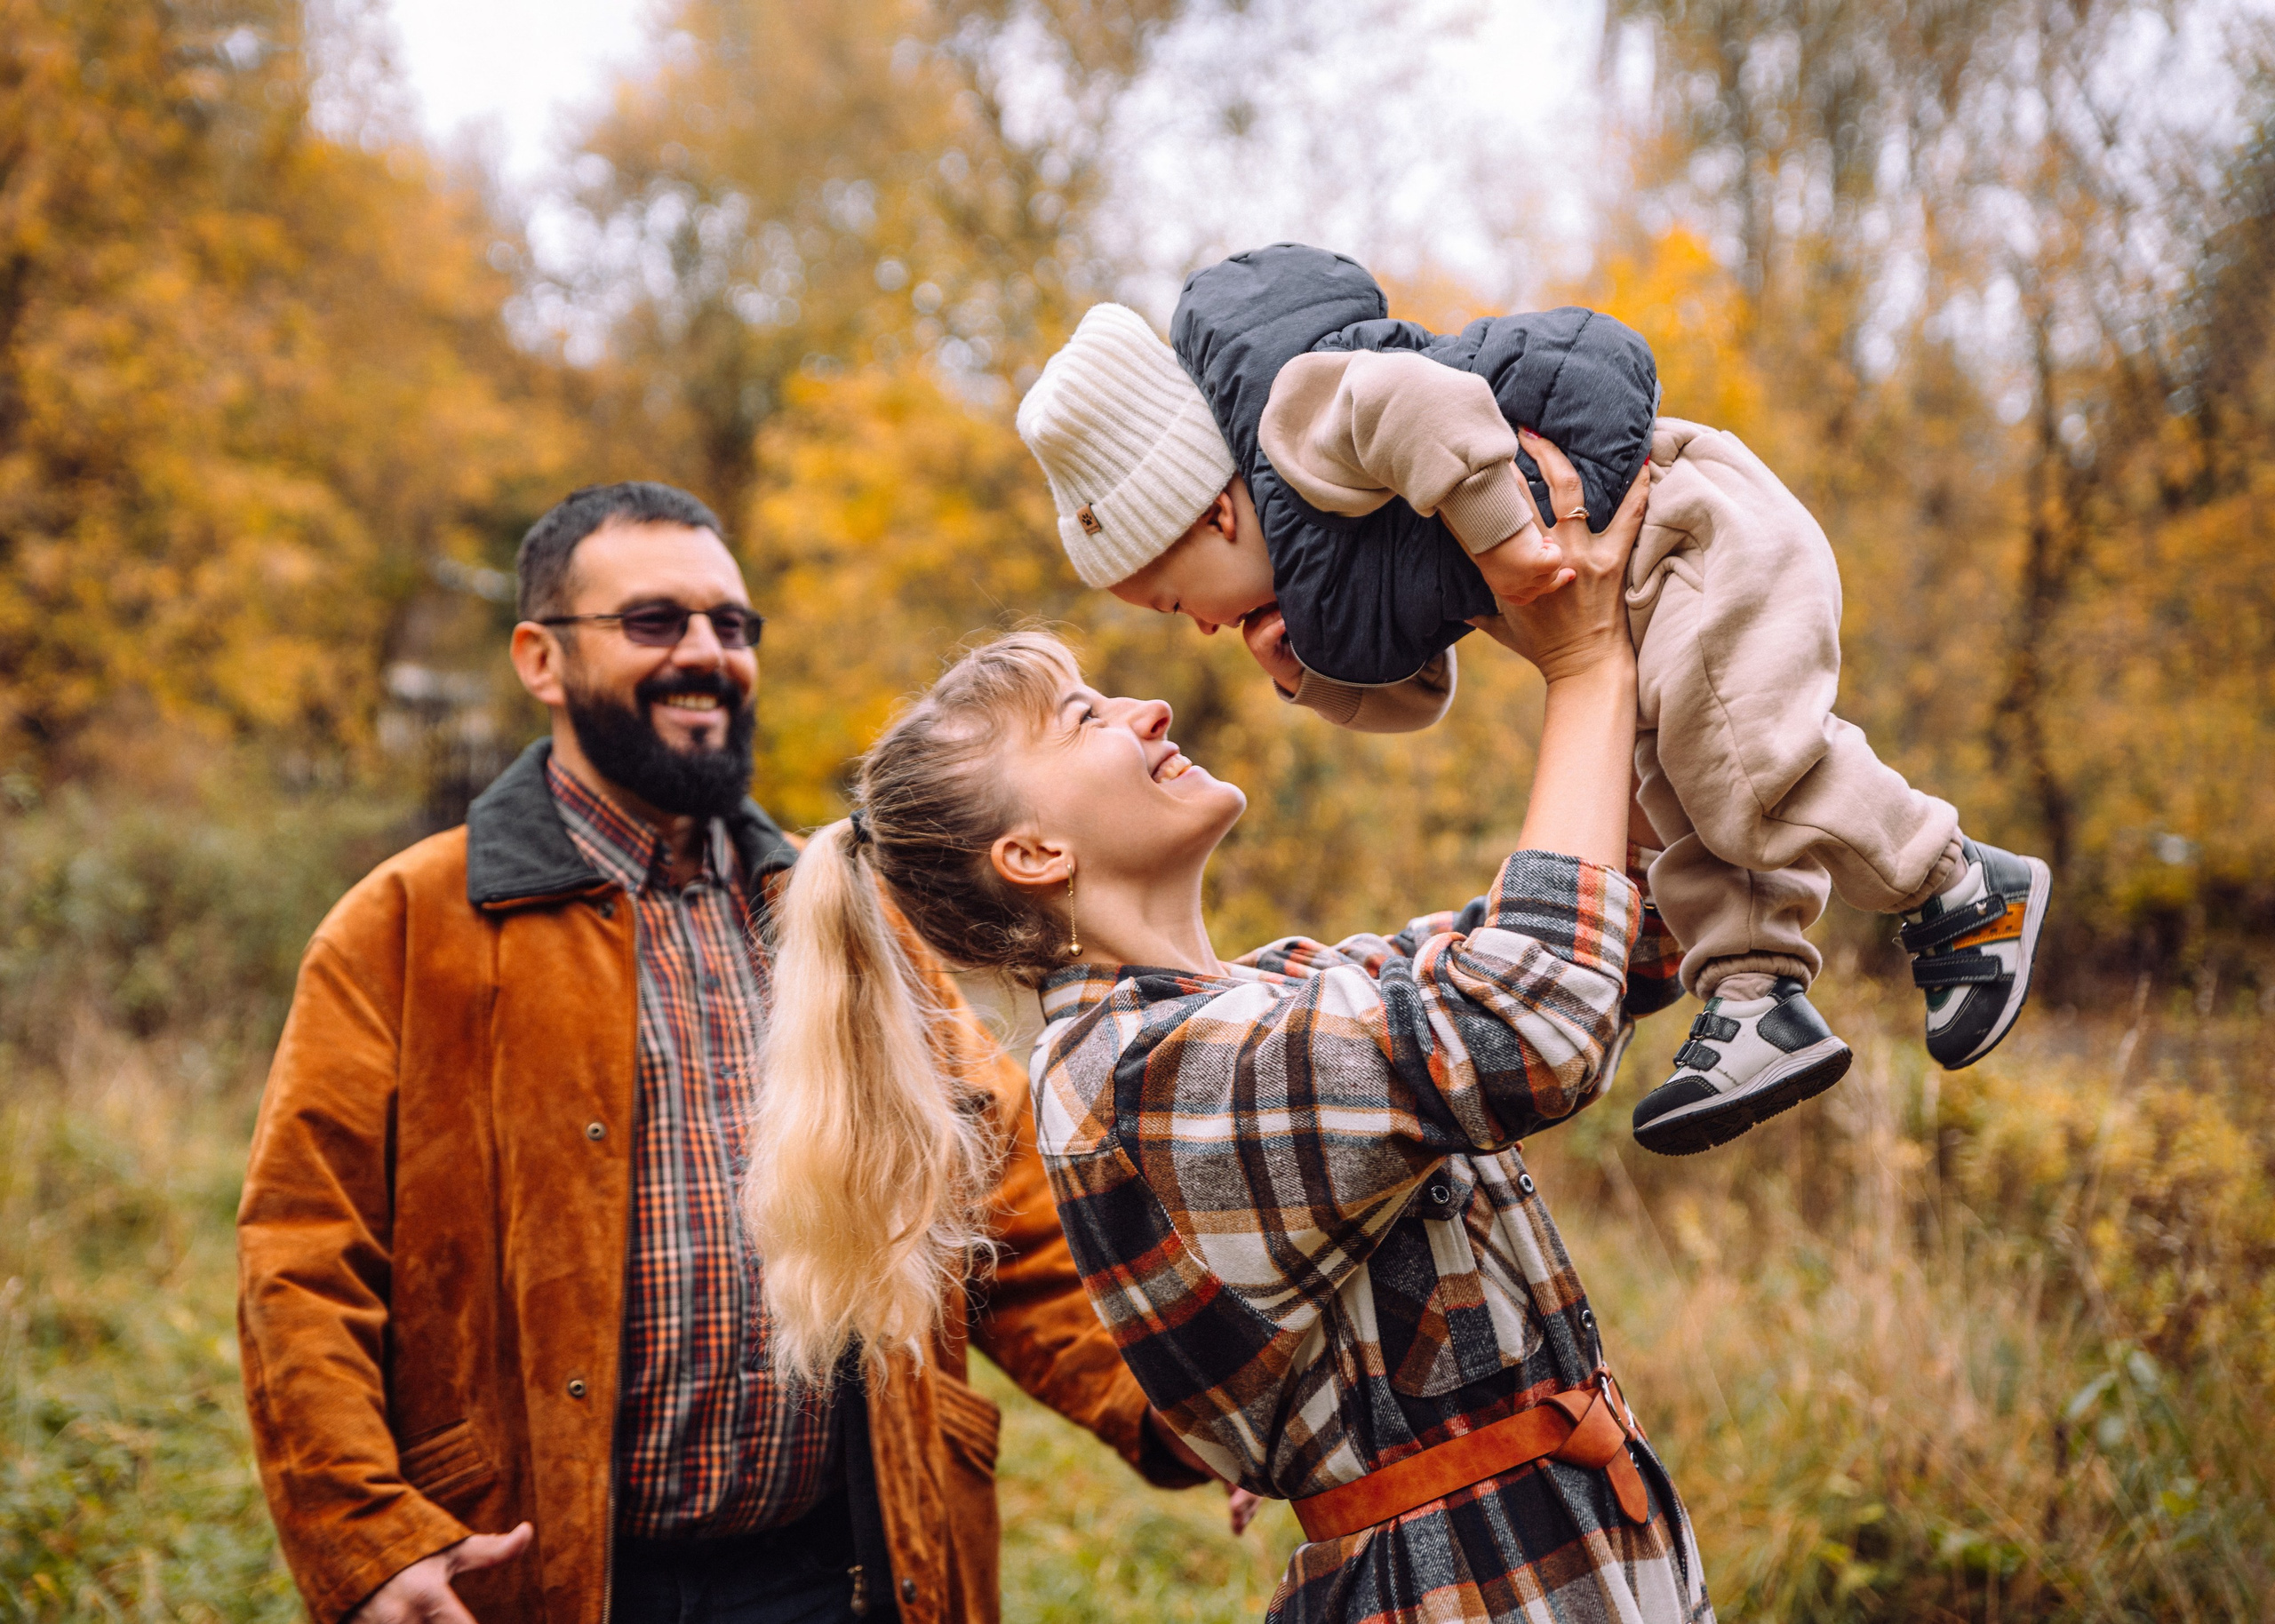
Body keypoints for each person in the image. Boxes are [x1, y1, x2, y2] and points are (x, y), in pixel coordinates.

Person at [748, 439, 1713, 1622]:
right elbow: (1528, 1020)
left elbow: (1632, 932)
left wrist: (1491, 601)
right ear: (1035, 853)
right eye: (1086, 716)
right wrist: (1582, 668)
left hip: (1575, 1560)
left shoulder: (1278, 989)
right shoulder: (1138, 1078)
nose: (1150, 706)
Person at [235, 482, 1206, 1624]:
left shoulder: (840, 909)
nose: (705, 652)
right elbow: (304, 1252)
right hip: (545, 1575)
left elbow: (1000, 1210)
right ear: (541, 658)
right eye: (654, 621)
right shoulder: (406, 926)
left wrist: (1197, 1403)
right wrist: (362, 1536)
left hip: (842, 1567)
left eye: (731, 624)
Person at [1012, 243, 2053, 1158]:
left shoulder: (1301, 423)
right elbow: (1422, 692)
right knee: (1680, 800)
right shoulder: (1317, 569)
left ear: (1208, 516)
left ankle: (1959, 881)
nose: (1197, 628)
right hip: (1640, 600)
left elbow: (1423, 402)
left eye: (1172, 600)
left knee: (1745, 769)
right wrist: (1311, 675)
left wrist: (1508, 543)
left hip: (1688, 531)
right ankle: (1755, 1001)